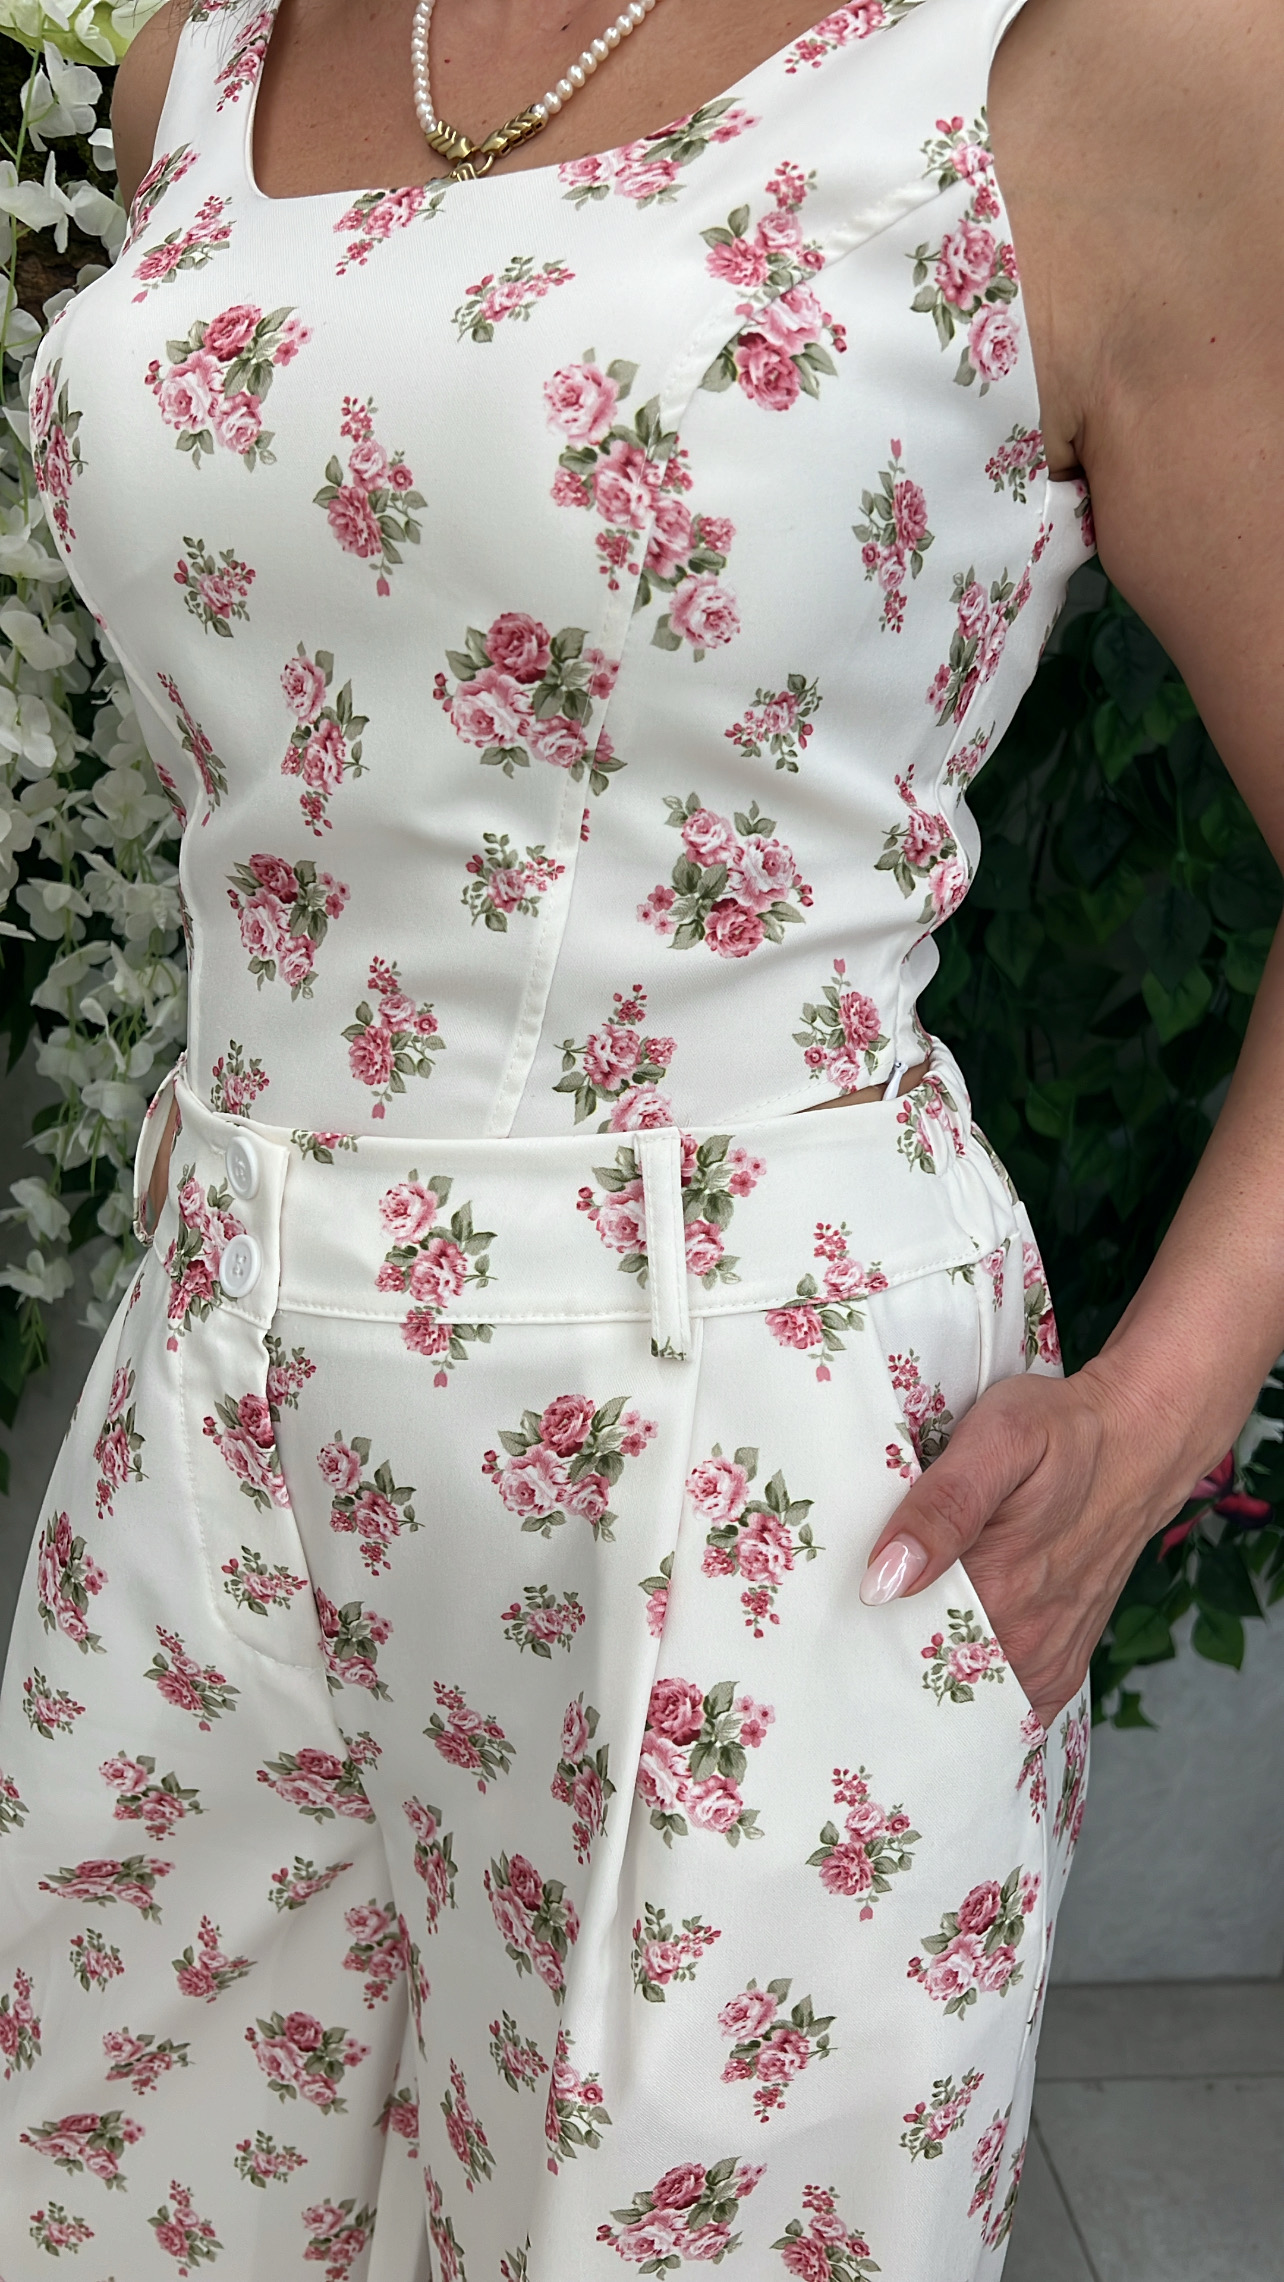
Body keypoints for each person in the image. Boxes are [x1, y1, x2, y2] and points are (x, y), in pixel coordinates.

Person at [2, 0, 1281, 2273]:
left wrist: (1157, 1418)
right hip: (210, 1413)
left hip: (754, 1473)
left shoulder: (1090, 64)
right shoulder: (198, 63)